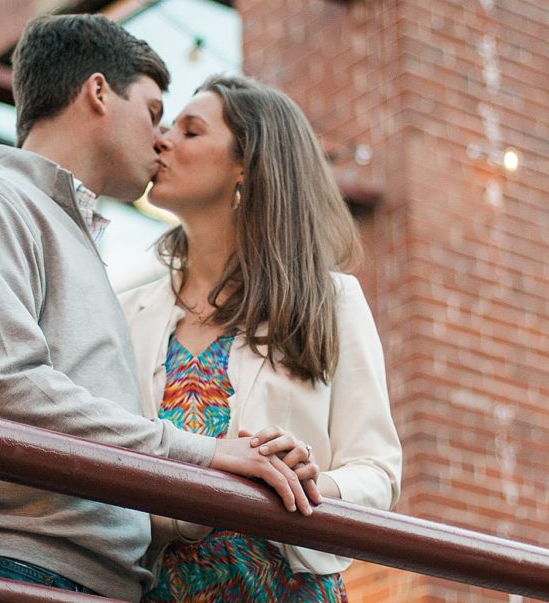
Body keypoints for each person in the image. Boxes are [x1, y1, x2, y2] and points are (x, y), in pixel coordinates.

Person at [0, 16, 319, 603]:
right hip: (12, 568)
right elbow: (6, 388)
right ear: (99, 92)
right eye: (153, 113)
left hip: (97, 581)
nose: (160, 140)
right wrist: (206, 453)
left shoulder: (79, 247)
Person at [119, 75, 402, 600]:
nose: (163, 139)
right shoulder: (126, 314)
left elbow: (377, 472)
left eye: (191, 130)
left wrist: (314, 483)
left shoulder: (332, 301)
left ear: (247, 163)